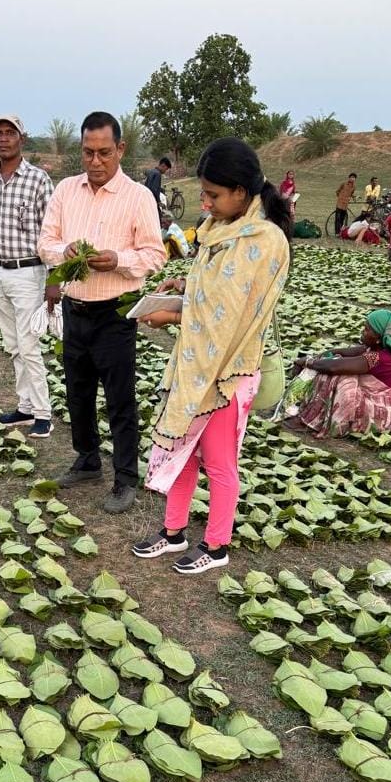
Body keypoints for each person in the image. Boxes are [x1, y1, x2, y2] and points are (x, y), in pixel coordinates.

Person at [132, 137, 292, 575]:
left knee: (219, 463)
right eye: (203, 194)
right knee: (182, 450)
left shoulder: (263, 240)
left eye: (213, 195)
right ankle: (173, 532)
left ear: (240, 191)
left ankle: (217, 545)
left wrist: (172, 316)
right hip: (197, 364)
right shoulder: (222, 229)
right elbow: (214, 289)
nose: (205, 203)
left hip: (228, 372)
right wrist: (183, 286)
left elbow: (230, 312)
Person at [38, 111, 166, 514]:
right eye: (88, 152)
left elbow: (155, 255)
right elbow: (45, 242)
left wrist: (119, 260)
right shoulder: (65, 190)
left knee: (119, 398)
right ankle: (88, 460)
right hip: (75, 309)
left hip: (116, 313)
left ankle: (125, 477)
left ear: (120, 149)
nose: (95, 161)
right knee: (77, 392)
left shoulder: (139, 197)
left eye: (104, 153)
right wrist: (64, 252)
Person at [0, 113, 56, 440]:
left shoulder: (38, 179)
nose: (4, 138)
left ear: (22, 138)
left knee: (29, 345)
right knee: (13, 345)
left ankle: (43, 414)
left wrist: (54, 279)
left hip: (28, 272)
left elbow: (52, 231)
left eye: (10, 133)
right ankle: (25, 406)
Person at [286, 310, 391, 439]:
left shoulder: (379, 358)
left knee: (339, 376)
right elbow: (341, 352)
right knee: (332, 361)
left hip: (377, 416)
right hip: (381, 409)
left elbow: (333, 367)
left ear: (378, 337)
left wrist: (308, 362)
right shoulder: (375, 350)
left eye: (367, 329)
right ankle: (311, 413)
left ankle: (313, 421)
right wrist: (321, 356)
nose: (363, 332)